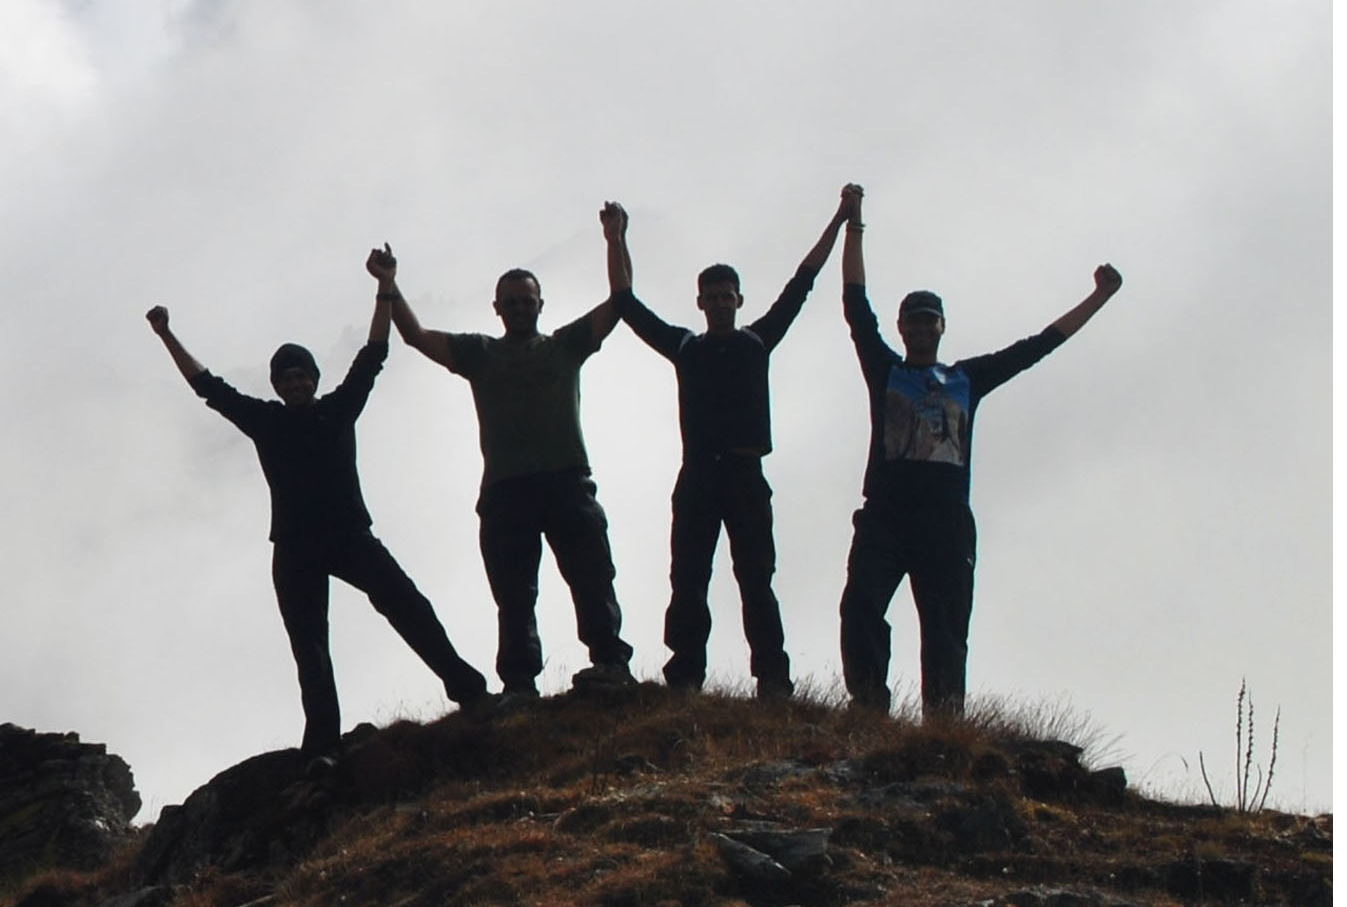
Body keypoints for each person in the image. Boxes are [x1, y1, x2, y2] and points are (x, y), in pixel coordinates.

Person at [150, 251, 492, 750]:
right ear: (277, 386)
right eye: (286, 378)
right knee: (311, 649)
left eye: (301, 375)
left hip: (350, 536)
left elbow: (374, 354)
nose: (295, 382)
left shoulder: (338, 409)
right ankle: (323, 746)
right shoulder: (265, 421)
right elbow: (209, 387)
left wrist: (385, 287)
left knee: (407, 605)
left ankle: (467, 690)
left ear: (314, 378)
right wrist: (166, 336)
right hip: (295, 547)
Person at [834, 185, 1122, 716]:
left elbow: (1037, 346)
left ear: (941, 328)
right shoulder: (886, 370)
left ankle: (944, 723)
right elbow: (856, 305)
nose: (920, 330)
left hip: (945, 522)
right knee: (861, 605)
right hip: (886, 516)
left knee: (945, 628)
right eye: (912, 322)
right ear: (901, 329)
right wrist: (854, 225)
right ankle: (868, 703)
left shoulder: (967, 379)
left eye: (929, 322)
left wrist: (1100, 297)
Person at [375, 209, 640, 698]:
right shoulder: (479, 353)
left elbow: (619, 303)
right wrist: (389, 285)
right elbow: (414, 337)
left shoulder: (565, 345)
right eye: (512, 302)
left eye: (527, 301)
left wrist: (615, 239)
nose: (520, 308)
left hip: (567, 481)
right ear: (497, 308)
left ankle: (609, 663)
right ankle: (519, 681)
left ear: (541, 304)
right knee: (514, 595)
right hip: (506, 490)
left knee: (591, 575)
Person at [617, 186, 855, 698]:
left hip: (746, 475)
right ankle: (684, 677)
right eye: (713, 297)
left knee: (755, 581)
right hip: (699, 474)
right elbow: (626, 304)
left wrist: (840, 219)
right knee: (688, 580)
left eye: (728, 297)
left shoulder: (757, 341)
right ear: (700, 303)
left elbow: (803, 281)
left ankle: (772, 680)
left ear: (738, 300)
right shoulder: (686, 347)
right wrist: (616, 238)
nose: (721, 304)